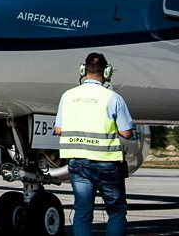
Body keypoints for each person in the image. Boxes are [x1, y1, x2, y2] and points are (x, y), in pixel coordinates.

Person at [55, 52, 135, 236]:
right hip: (106, 163)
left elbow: (58, 129)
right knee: (116, 211)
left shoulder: (68, 96)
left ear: (83, 70)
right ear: (107, 72)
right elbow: (126, 133)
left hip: (79, 163)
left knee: (83, 212)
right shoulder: (112, 98)